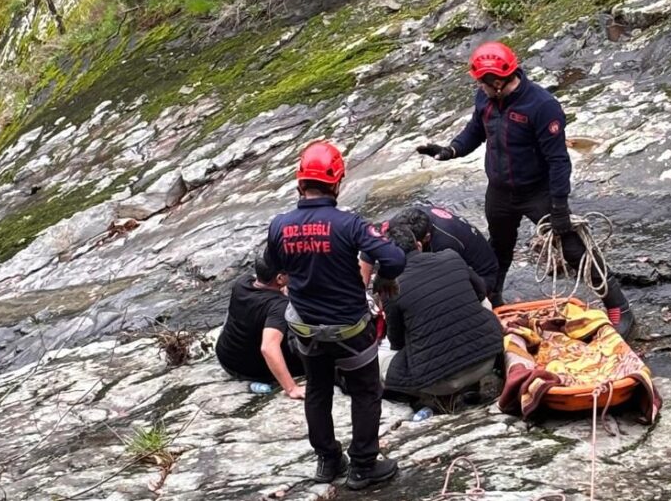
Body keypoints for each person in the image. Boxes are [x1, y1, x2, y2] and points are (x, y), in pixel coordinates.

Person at [415, 41, 635, 337]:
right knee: (498, 249)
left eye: (482, 82)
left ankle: (620, 307)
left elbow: (559, 160)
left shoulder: (542, 106)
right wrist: (450, 150)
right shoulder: (486, 100)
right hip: (500, 192)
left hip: (537, 192)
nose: (479, 87)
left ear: (497, 81)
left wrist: (559, 207)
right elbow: (475, 131)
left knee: (573, 249)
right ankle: (493, 301)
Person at [264, 140, 406, 491]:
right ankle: (362, 466)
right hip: (349, 328)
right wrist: (384, 278)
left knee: (318, 391)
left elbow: (272, 265)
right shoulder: (349, 224)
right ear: (337, 183)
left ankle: (328, 461)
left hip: (306, 330)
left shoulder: (279, 225)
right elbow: (395, 258)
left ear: (300, 183)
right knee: (366, 391)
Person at [377, 226, 503, 399]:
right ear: (419, 245)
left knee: (380, 360)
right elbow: (482, 293)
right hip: (488, 360)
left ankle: (430, 400)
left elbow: (397, 343)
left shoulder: (390, 287)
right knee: (483, 304)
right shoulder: (451, 256)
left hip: (443, 383)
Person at [359, 205, 501, 305]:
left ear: (425, 238)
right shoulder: (400, 223)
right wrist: (360, 292)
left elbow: (436, 281)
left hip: (482, 276)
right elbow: (369, 248)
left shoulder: (444, 244)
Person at [215, 258, 306, 399]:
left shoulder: (242, 283)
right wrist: (292, 388)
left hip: (225, 359)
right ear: (280, 278)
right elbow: (268, 348)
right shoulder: (278, 306)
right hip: (252, 372)